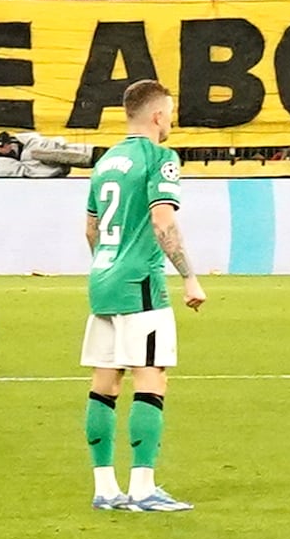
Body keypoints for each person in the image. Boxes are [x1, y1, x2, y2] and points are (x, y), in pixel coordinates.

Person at [83, 81, 207, 510]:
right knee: (151, 378)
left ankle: (104, 488)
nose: (170, 121)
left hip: (102, 280)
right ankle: (141, 488)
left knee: (104, 383)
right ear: (157, 116)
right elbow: (162, 223)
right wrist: (189, 277)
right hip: (140, 284)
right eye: (169, 113)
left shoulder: (107, 161)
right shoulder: (161, 158)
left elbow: (91, 228)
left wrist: (108, 264)